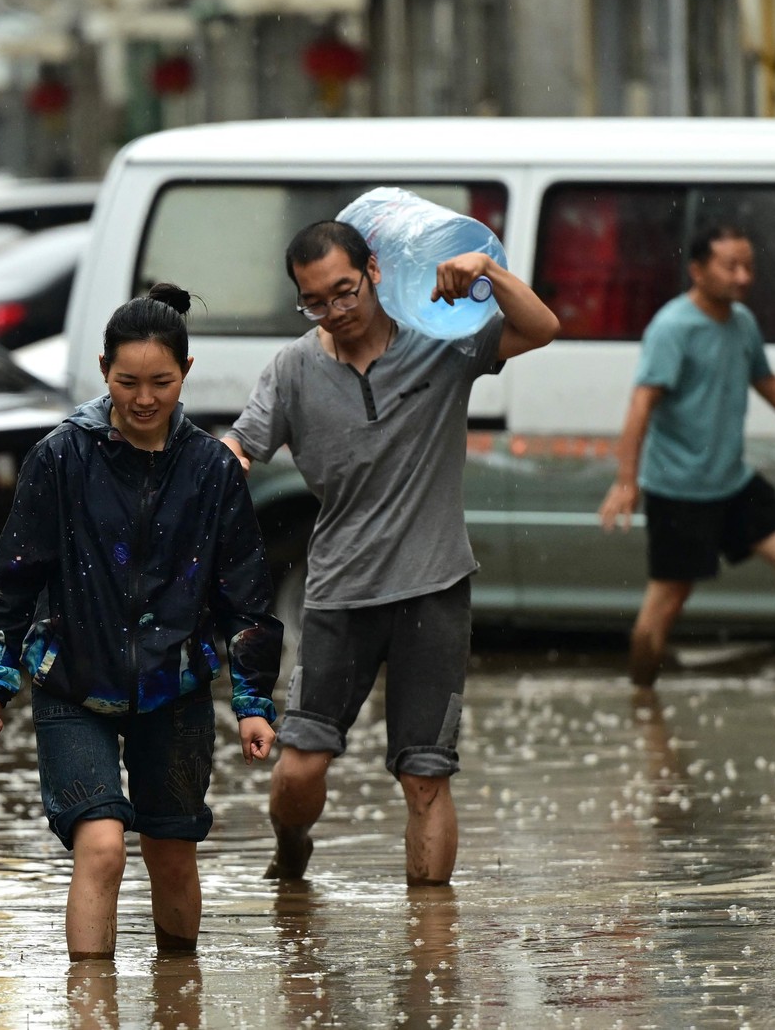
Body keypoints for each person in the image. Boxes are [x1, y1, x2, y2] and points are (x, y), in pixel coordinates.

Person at [221, 220, 560, 886]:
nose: (336, 312)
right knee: (300, 769)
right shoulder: (294, 369)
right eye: (316, 300)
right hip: (339, 594)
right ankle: (291, 850)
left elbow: (542, 326)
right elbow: (242, 446)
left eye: (344, 291)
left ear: (374, 271)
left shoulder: (442, 343)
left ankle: (429, 946)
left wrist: (487, 275)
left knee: (425, 775)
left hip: (434, 588)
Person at [0, 283, 282, 960]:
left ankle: (179, 995)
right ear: (104, 368)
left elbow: (247, 597)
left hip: (177, 687)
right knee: (102, 844)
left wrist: (253, 702)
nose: (144, 398)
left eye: (161, 382)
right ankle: (90, 1001)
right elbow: (10, 580)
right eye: (128, 381)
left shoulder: (211, 470)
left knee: (172, 854)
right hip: (72, 682)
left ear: (186, 374)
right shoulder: (60, 458)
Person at [597, 224, 775, 688]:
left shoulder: (742, 322)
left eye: (749, 267)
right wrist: (626, 480)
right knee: (668, 600)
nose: (743, 277)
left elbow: (769, 383)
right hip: (679, 489)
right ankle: (641, 700)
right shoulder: (673, 328)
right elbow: (642, 403)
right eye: (731, 267)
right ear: (697, 271)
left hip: (732, 482)